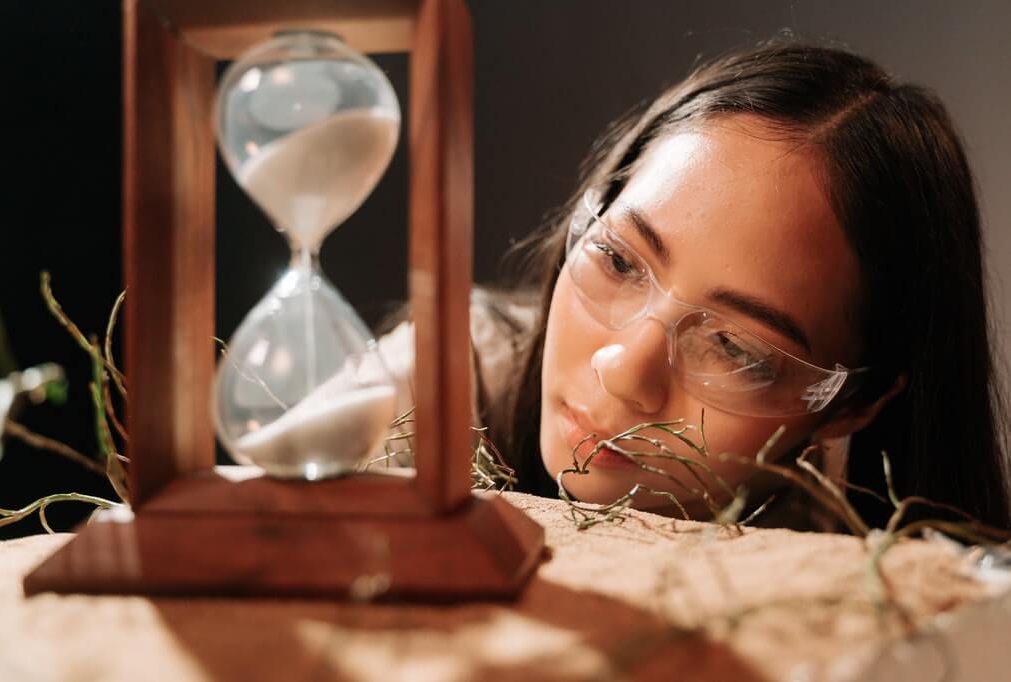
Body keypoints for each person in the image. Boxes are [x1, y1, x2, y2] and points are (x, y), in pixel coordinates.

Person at [377, 42, 1011, 532]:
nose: (625, 373)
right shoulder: (434, 387)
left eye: (735, 347)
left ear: (854, 405)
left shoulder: (863, 564)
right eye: (619, 262)